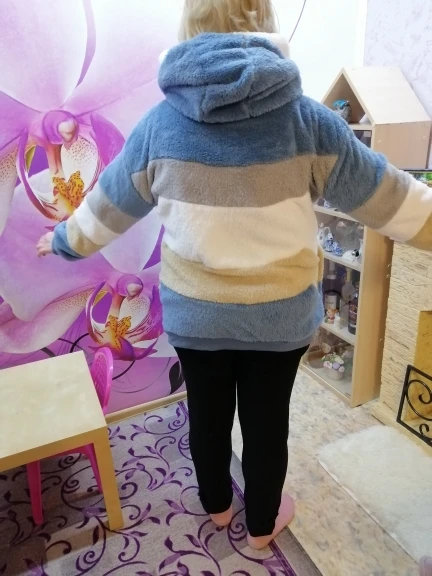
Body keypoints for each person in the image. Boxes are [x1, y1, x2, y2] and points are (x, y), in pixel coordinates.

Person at [36, 0, 432, 550]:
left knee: (207, 417)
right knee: (268, 425)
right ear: (264, 23)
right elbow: (389, 196)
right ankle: (262, 527)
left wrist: (63, 240)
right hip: (279, 318)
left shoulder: (160, 125)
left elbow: (109, 205)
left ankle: (219, 507)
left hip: (197, 316)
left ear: (190, 26)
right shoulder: (308, 122)